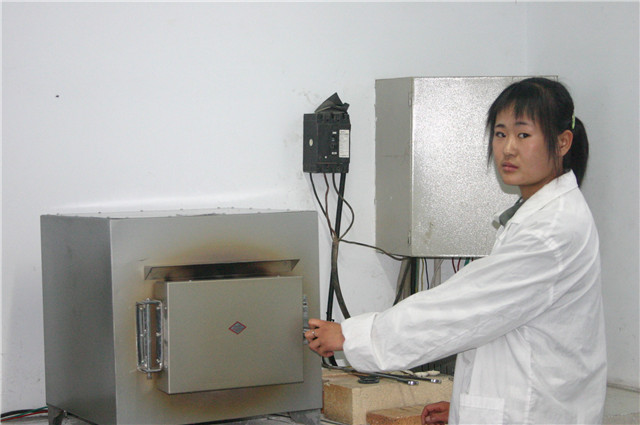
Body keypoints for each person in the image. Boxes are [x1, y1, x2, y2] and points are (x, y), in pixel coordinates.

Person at [304, 78, 607, 425]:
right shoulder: (541, 216)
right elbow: (506, 328)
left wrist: (354, 336)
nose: (508, 148)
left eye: (523, 135)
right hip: (527, 405)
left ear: (563, 142)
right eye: (500, 133)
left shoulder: (552, 230)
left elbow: (464, 308)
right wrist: (466, 403)